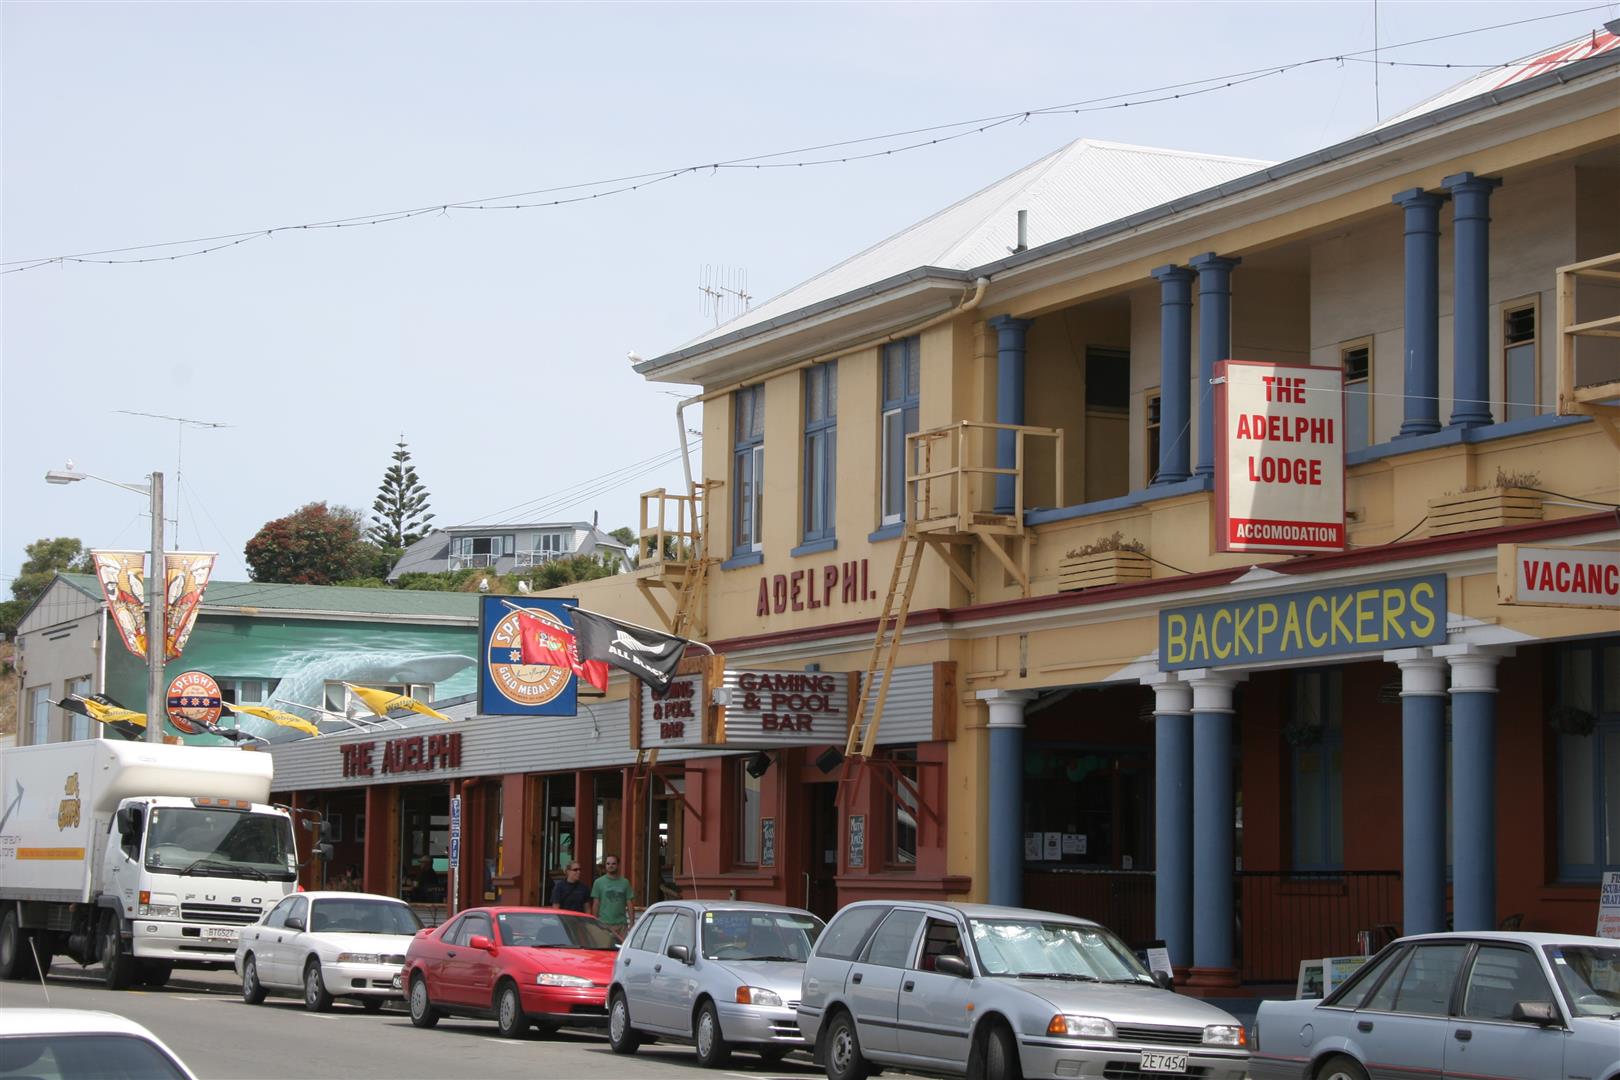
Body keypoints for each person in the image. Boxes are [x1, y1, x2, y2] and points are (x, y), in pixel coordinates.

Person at [589, 854, 634, 939]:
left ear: (618, 865)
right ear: (605, 865)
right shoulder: (598, 882)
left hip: (621, 925)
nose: (610, 866)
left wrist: (632, 923)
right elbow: (596, 903)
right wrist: (595, 922)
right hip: (604, 924)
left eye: (613, 864)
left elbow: (630, 904)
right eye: (608, 864)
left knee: (620, 951)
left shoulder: (625, 882)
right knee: (604, 950)